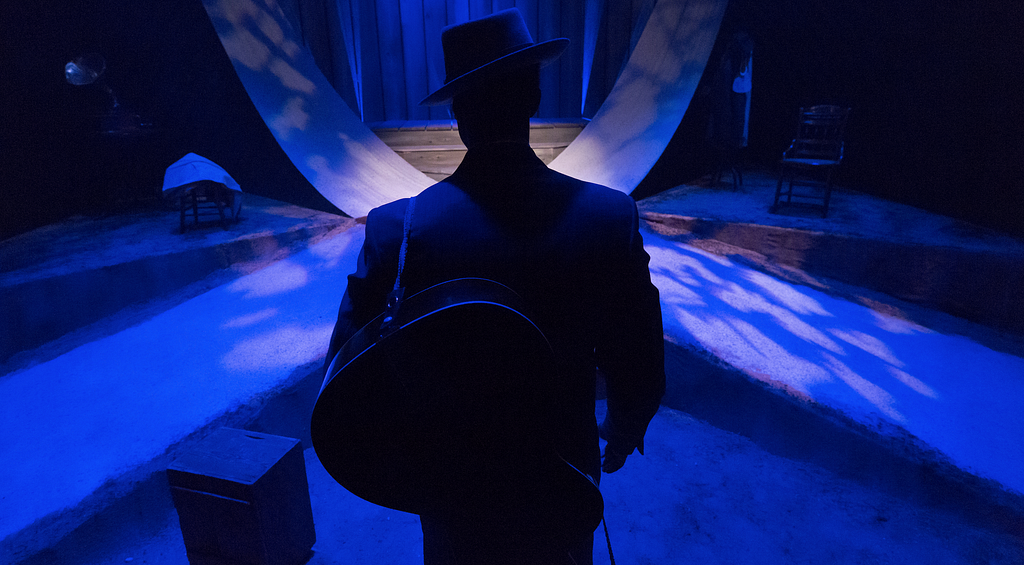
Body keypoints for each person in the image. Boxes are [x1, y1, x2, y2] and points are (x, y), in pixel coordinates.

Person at [323, 9, 665, 564]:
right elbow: (640, 359)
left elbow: (343, 370)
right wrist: (624, 425)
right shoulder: (610, 218)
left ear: (457, 113)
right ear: (533, 98)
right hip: (563, 475)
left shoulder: (395, 229)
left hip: (452, 484)